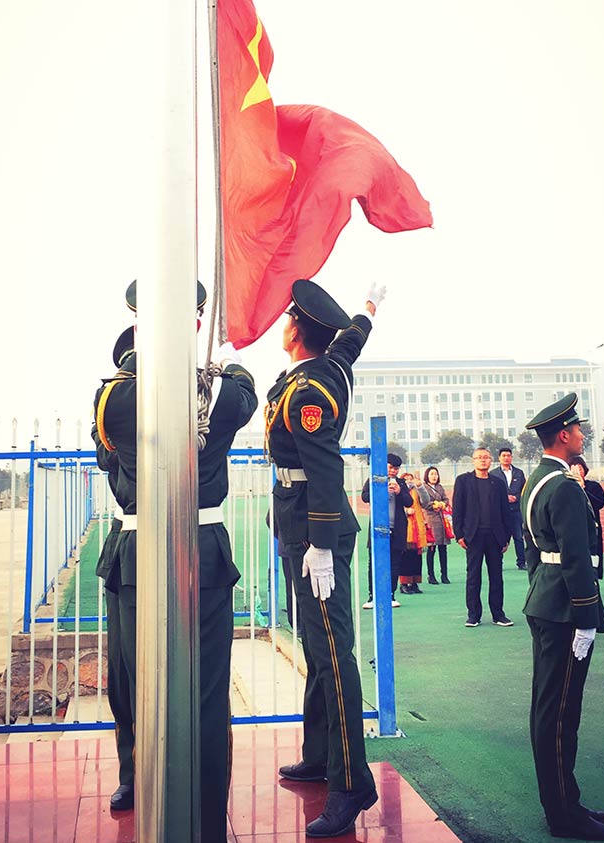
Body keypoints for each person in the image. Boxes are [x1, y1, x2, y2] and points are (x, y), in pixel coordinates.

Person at [94, 280, 257, 843]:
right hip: (195, 553)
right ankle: (200, 817)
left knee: (140, 684)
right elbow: (243, 392)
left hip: (140, 553)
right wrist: (215, 361)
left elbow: (109, 457)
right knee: (199, 695)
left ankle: (158, 802)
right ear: (196, 322)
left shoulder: (116, 397)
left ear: (139, 322)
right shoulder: (222, 392)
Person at [266, 279, 385, 838]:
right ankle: (319, 755)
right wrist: (368, 310)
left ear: (298, 331)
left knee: (334, 656)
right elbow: (350, 343)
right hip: (302, 529)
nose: (283, 324)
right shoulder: (329, 367)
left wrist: (319, 544)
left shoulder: (309, 392)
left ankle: (351, 783)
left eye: (288, 318)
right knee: (316, 648)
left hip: (317, 537)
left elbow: (325, 468)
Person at [522, 394, 604, 841]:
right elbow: (577, 556)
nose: (581, 434)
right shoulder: (562, 485)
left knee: (552, 709)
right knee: (559, 713)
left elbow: (532, 551)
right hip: (564, 609)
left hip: (546, 599)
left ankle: (566, 800)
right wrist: (585, 615)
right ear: (563, 435)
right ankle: (563, 815)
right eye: (577, 429)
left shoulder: (538, 479)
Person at [91, 325, 136, 811]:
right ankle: (132, 772)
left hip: (178, 539)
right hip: (126, 543)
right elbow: (106, 454)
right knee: (123, 675)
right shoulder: (114, 409)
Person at [452, 448, 513, 627]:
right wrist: (459, 535)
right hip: (473, 536)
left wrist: (506, 537)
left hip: (495, 537)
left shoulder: (498, 483)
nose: (483, 460)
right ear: (473, 460)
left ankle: (498, 614)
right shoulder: (463, 481)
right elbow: (458, 510)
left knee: (496, 577)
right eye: (479, 458)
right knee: (473, 576)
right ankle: (473, 615)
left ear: (491, 460)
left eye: (486, 457)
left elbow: (505, 511)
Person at [361, 454, 413, 608]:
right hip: (378, 529)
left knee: (394, 563)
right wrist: (381, 490)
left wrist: (399, 492)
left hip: (397, 529)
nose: (393, 471)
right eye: (390, 467)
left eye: (396, 468)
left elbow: (409, 502)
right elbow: (365, 497)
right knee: (374, 562)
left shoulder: (401, 483)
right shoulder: (374, 479)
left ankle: (391, 595)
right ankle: (372, 597)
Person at [569, 455, 604, 579]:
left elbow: (599, 503)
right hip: (574, 530)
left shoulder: (593, 486)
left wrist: (582, 487)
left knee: (593, 561)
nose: (577, 472)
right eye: (573, 468)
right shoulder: (565, 487)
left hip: (592, 530)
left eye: (580, 468)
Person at [420, 466, 452, 584]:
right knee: (431, 548)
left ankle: (444, 575)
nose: (434, 476)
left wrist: (443, 504)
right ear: (427, 476)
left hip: (441, 520)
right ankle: (431, 575)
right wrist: (434, 504)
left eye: (436, 474)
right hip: (431, 520)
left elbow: (446, 499)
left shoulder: (440, 487)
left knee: (443, 548)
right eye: (432, 474)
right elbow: (423, 503)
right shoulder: (423, 488)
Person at [497, 446, 527, 569]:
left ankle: (521, 562)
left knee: (519, 537)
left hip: (516, 511)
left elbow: (524, 490)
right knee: (501, 538)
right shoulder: (494, 474)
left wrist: (516, 498)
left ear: (512, 457)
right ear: (499, 458)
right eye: (504, 456)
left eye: (508, 455)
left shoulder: (519, 473)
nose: (506, 458)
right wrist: (505, 498)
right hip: (501, 512)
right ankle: (497, 562)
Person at [398, 472, 427, 594]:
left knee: (417, 558)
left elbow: (426, 502)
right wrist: (406, 511)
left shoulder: (416, 491)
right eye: (406, 479)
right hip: (405, 529)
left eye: (411, 479)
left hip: (418, 529)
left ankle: (414, 583)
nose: (409, 481)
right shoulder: (399, 491)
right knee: (406, 558)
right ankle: (404, 583)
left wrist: (420, 487)